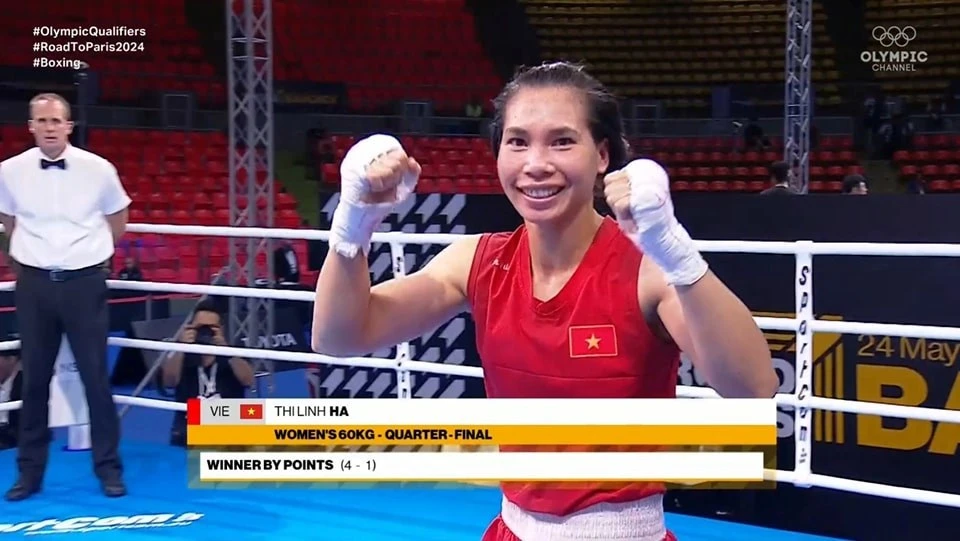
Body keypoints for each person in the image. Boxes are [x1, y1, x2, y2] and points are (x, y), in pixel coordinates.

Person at [311, 62, 776, 540]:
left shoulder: (646, 270)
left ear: (601, 156)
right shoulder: (476, 262)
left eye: (561, 141)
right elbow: (338, 336)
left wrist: (675, 251)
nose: (536, 163)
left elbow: (754, 388)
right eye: (517, 141)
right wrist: (354, 223)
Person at [0, 93, 131, 501]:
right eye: (42, 120)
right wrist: (30, 262)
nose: (50, 127)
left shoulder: (98, 169)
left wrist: (87, 259)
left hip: (84, 283)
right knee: (34, 379)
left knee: (95, 377)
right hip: (35, 285)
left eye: (56, 120)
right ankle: (29, 474)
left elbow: (118, 219)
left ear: (69, 125)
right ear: (31, 126)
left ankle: (109, 469)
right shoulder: (9, 171)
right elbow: (7, 221)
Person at [161, 300, 255, 447]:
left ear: (221, 329)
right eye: (200, 328)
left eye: (211, 328)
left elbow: (248, 380)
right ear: (191, 327)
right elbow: (169, 382)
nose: (205, 333)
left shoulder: (233, 353)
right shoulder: (181, 355)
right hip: (189, 429)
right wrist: (181, 348)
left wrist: (226, 350)